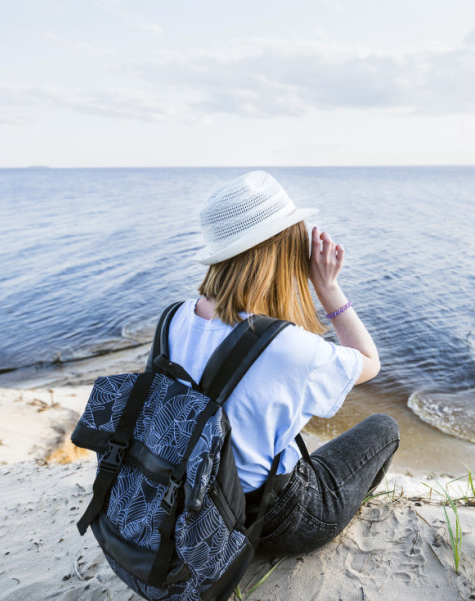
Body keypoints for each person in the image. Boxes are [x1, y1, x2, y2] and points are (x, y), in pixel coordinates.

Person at [164, 170, 400, 556]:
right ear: (282, 252)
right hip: (270, 522)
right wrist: (328, 288)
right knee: (384, 428)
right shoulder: (286, 346)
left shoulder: (173, 319)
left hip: (191, 500)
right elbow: (370, 362)